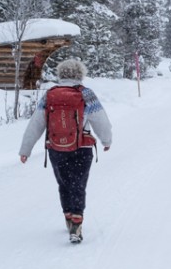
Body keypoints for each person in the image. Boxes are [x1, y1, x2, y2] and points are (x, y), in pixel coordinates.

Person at [19, 58, 112, 243]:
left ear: (60, 74)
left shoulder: (50, 95)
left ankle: (68, 217)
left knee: (64, 183)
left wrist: (25, 149)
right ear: (80, 74)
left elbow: (36, 123)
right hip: (82, 148)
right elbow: (100, 120)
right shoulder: (86, 94)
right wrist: (106, 140)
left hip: (56, 148)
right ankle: (77, 220)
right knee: (78, 184)